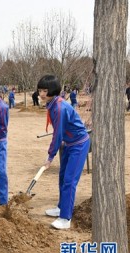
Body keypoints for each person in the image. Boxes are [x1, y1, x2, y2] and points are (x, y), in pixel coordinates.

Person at [37, 75, 90, 230]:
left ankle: (65, 218)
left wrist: (50, 156)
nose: (42, 93)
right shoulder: (52, 104)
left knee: (69, 181)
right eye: (40, 90)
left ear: (53, 90)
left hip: (79, 145)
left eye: (45, 90)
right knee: (62, 178)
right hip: (67, 144)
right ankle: (61, 207)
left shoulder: (59, 107)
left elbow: (57, 134)